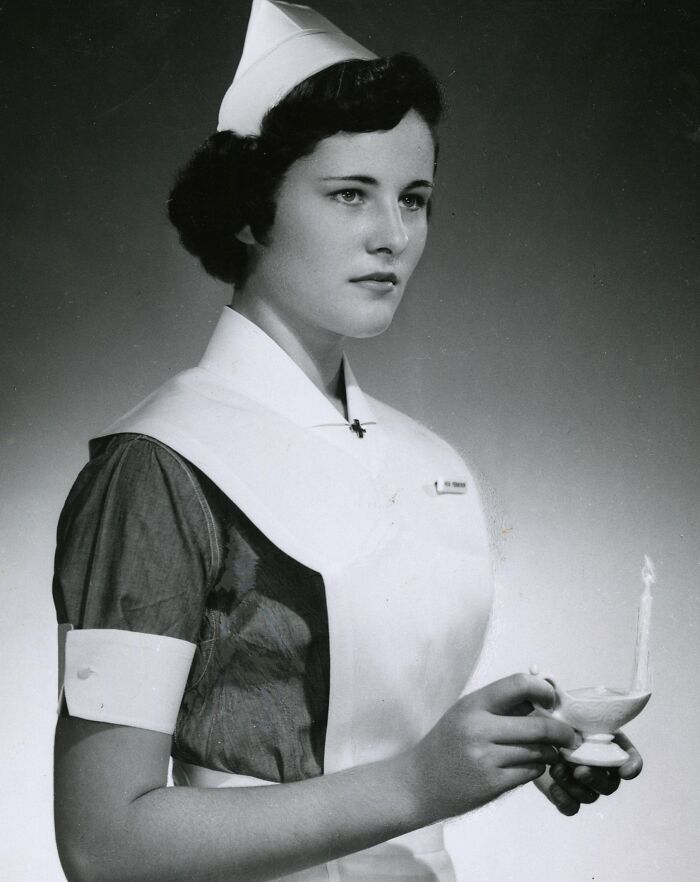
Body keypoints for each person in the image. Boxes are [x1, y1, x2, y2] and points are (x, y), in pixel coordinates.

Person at [52, 3, 642, 881]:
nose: (392, 237)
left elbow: (387, 745)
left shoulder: (427, 462)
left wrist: (520, 750)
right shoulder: (160, 465)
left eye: (414, 200)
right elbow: (104, 846)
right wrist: (416, 785)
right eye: (349, 194)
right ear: (252, 213)